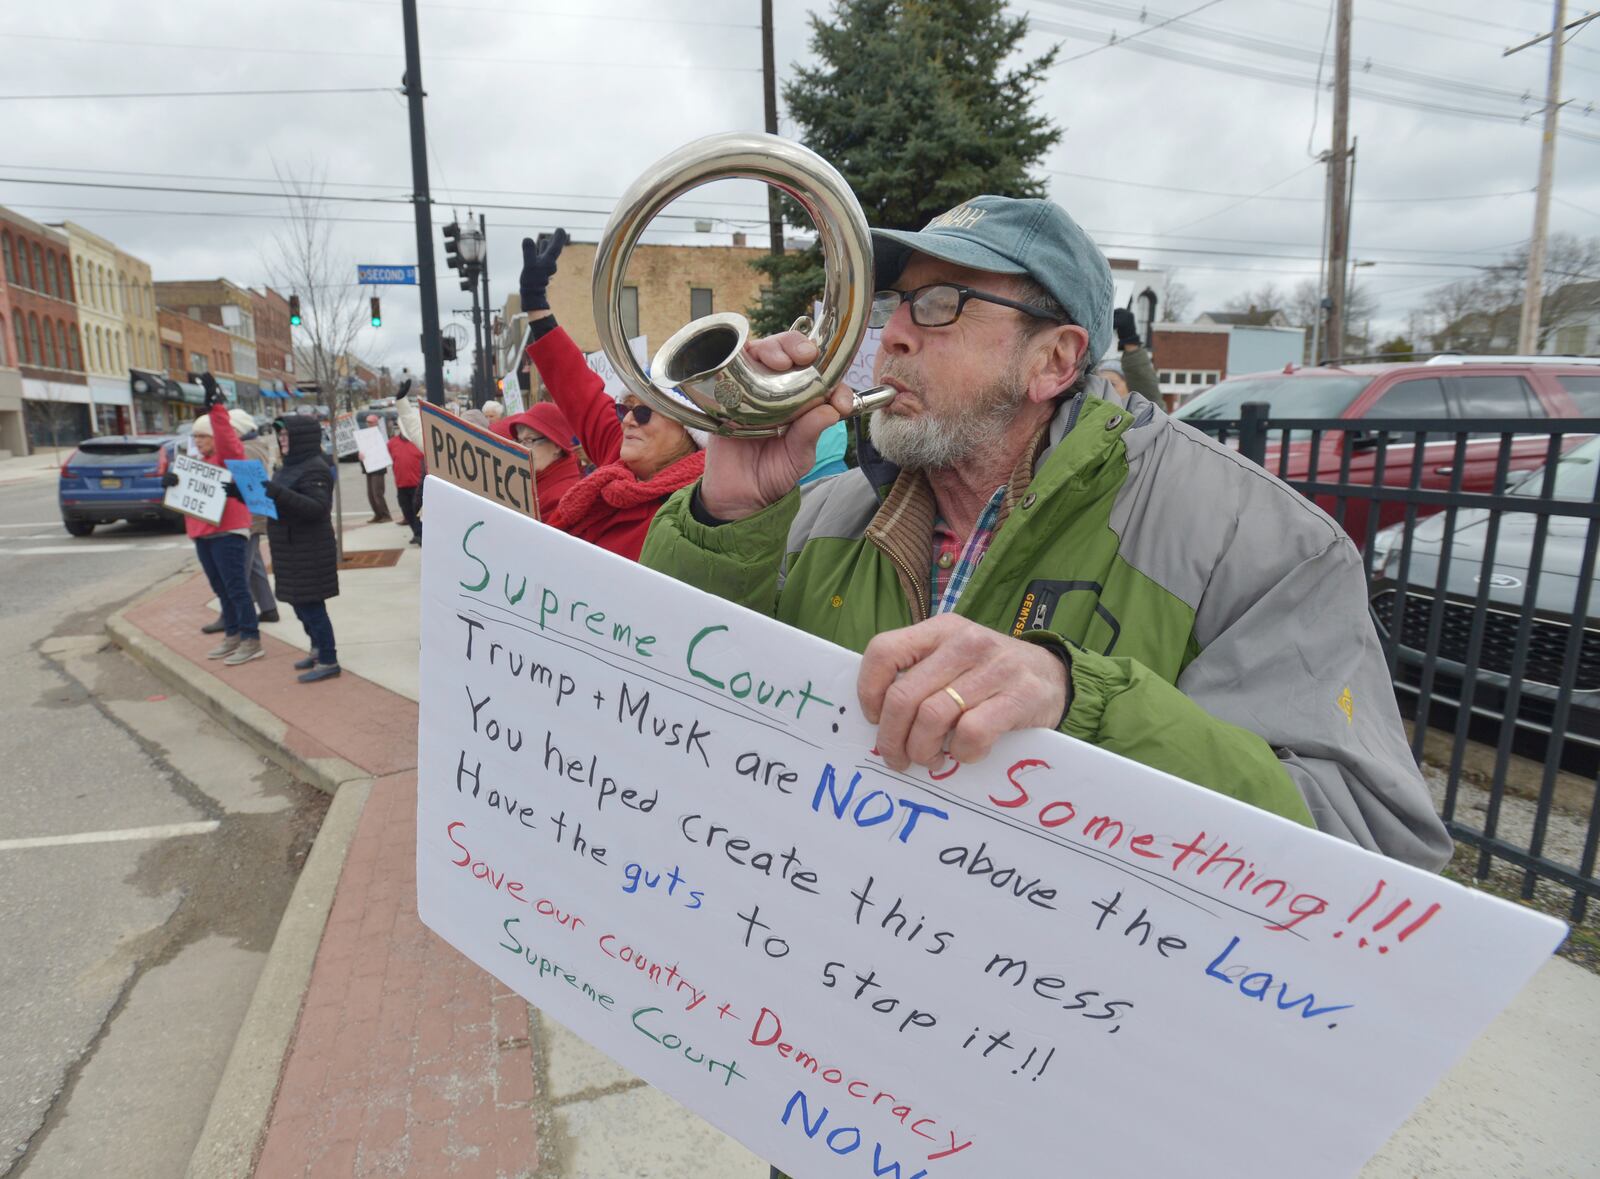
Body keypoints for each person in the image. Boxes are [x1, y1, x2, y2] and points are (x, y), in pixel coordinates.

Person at [640, 194, 1452, 872]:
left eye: (941, 305)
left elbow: (1369, 846)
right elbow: (669, 718)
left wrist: (1086, 707)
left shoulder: (1267, 544)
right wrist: (730, 513)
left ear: (1055, 363)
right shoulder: (822, 512)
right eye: (897, 305)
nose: (889, 335)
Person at [518, 229, 706, 561]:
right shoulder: (618, 461)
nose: (630, 419)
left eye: (645, 412)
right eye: (625, 409)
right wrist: (536, 305)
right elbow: (576, 388)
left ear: (687, 428)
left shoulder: (705, 507)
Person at [164, 376, 264, 666]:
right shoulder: (197, 464)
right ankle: (232, 634)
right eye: (195, 436)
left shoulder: (226, 458)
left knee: (236, 587)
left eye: (203, 436)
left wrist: (216, 408)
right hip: (203, 534)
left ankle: (251, 638)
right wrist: (170, 483)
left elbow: (229, 442)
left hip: (228, 532)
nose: (198, 441)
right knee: (221, 588)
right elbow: (185, 498)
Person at [264, 413, 342, 682]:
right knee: (299, 605)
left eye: (287, 435)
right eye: (280, 435)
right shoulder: (286, 467)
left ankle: (329, 660)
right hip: (290, 548)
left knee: (312, 607)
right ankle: (317, 649)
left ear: (301, 438)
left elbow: (317, 508)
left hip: (310, 549)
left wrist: (278, 493)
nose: (282, 440)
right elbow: (278, 500)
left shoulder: (315, 467)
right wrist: (239, 492)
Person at [495, 401, 586, 518]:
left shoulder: (562, 497)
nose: (522, 448)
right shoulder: (534, 482)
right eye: (520, 441)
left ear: (557, 445)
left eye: (529, 440)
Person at [1113, 307, 1166, 410]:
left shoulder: (1142, 417)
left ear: (1129, 386)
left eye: (1112, 384)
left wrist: (1130, 341)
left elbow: (1141, 379)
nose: (1104, 389)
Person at [387, 411, 425, 546]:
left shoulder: (418, 441)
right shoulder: (392, 443)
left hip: (417, 484)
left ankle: (420, 535)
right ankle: (416, 533)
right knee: (407, 511)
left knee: (417, 512)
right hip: (401, 484)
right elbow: (384, 459)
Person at [361, 413, 393, 523]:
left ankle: (385, 514)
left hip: (378, 467)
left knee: (377, 492)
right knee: (370, 494)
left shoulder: (381, 434)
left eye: (370, 422)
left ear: (376, 423)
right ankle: (378, 514)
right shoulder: (365, 435)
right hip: (368, 466)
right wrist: (360, 455)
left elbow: (386, 448)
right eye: (367, 422)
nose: (368, 424)